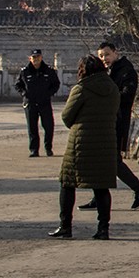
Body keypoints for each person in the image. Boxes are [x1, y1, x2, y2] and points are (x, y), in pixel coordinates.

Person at [52, 55, 119, 239]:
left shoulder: (81, 88)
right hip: (106, 142)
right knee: (101, 187)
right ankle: (103, 229)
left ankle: (65, 226)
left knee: (67, 183)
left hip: (80, 144)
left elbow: (67, 117)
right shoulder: (113, 88)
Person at [80, 40, 139, 211]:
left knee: (113, 160)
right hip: (107, 122)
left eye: (107, 55)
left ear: (115, 53)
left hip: (118, 123)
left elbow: (127, 96)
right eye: (101, 56)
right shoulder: (107, 71)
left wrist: (107, 98)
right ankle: (98, 197)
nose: (104, 58)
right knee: (102, 160)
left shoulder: (126, 71)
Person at [14, 49, 60, 157]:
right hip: (30, 103)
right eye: (34, 57)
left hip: (44, 102)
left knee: (48, 126)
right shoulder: (25, 71)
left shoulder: (48, 70)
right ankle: (34, 150)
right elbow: (18, 85)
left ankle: (48, 148)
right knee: (32, 127)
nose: (36, 59)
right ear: (30, 58)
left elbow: (56, 84)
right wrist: (24, 93)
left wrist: (49, 93)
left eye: (38, 57)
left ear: (41, 57)